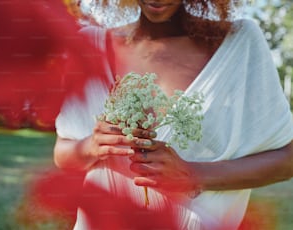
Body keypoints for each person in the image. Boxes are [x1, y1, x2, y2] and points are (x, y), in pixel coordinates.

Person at [54, 0, 293, 229]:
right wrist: (92, 146)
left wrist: (193, 175)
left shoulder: (238, 43)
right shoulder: (91, 45)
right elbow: (62, 153)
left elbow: (287, 160)